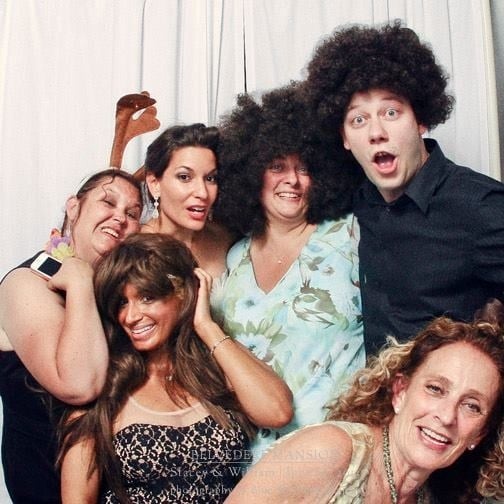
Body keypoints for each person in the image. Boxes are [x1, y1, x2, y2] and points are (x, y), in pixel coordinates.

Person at [304, 21, 504, 356]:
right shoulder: (356, 200)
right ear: (344, 138)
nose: (376, 132)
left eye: (391, 112)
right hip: (373, 388)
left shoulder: (479, 206)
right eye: (358, 119)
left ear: (420, 120)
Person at [58, 233, 293, 503]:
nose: (131, 316)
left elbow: (277, 412)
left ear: (182, 294)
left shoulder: (216, 367)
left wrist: (206, 326)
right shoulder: (105, 390)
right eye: (122, 302)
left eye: (147, 298)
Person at [212, 83, 365, 461]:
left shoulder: (351, 235)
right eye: (277, 166)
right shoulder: (235, 257)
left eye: (305, 168)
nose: (292, 180)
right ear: (251, 172)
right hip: (253, 464)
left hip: (338, 456)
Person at [225, 315, 504, 503]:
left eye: (471, 406)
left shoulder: (425, 497)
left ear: (480, 434)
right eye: (435, 389)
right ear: (400, 392)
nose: (446, 416)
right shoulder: (329, 452)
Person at [0, 169, 143, 503]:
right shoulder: (25, 283)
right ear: (74, 208)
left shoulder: (120, 296)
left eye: (132, 213)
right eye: (107, 202)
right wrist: (79, 280)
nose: (119, 217)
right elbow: (80, 385)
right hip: (44, 486)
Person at [142, 123, 234, 278]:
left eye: (210, 178)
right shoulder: (137, 252)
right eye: (184, 177)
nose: (203, 193)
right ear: (154, 183)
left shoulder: (227, 238)